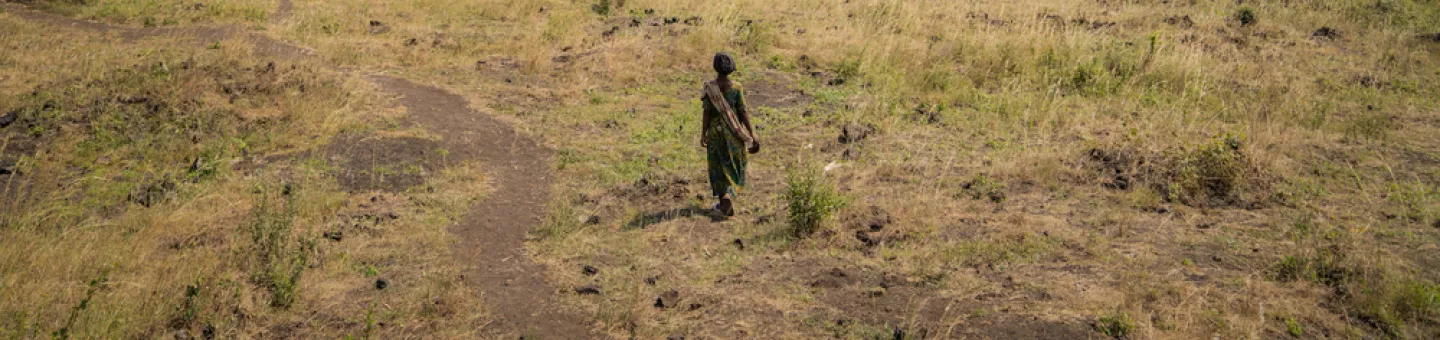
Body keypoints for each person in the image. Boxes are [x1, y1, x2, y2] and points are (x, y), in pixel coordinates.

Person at [701, 52, 760, 218]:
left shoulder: (709, 87)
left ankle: (724, 202)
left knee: (718, 166)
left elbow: (706, 113)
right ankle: (726, 202)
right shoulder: (736, 88)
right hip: (734, 133)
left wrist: (703, 133)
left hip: (715, 134)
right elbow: (743, 112)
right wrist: (752, 133)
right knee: (734, 165)